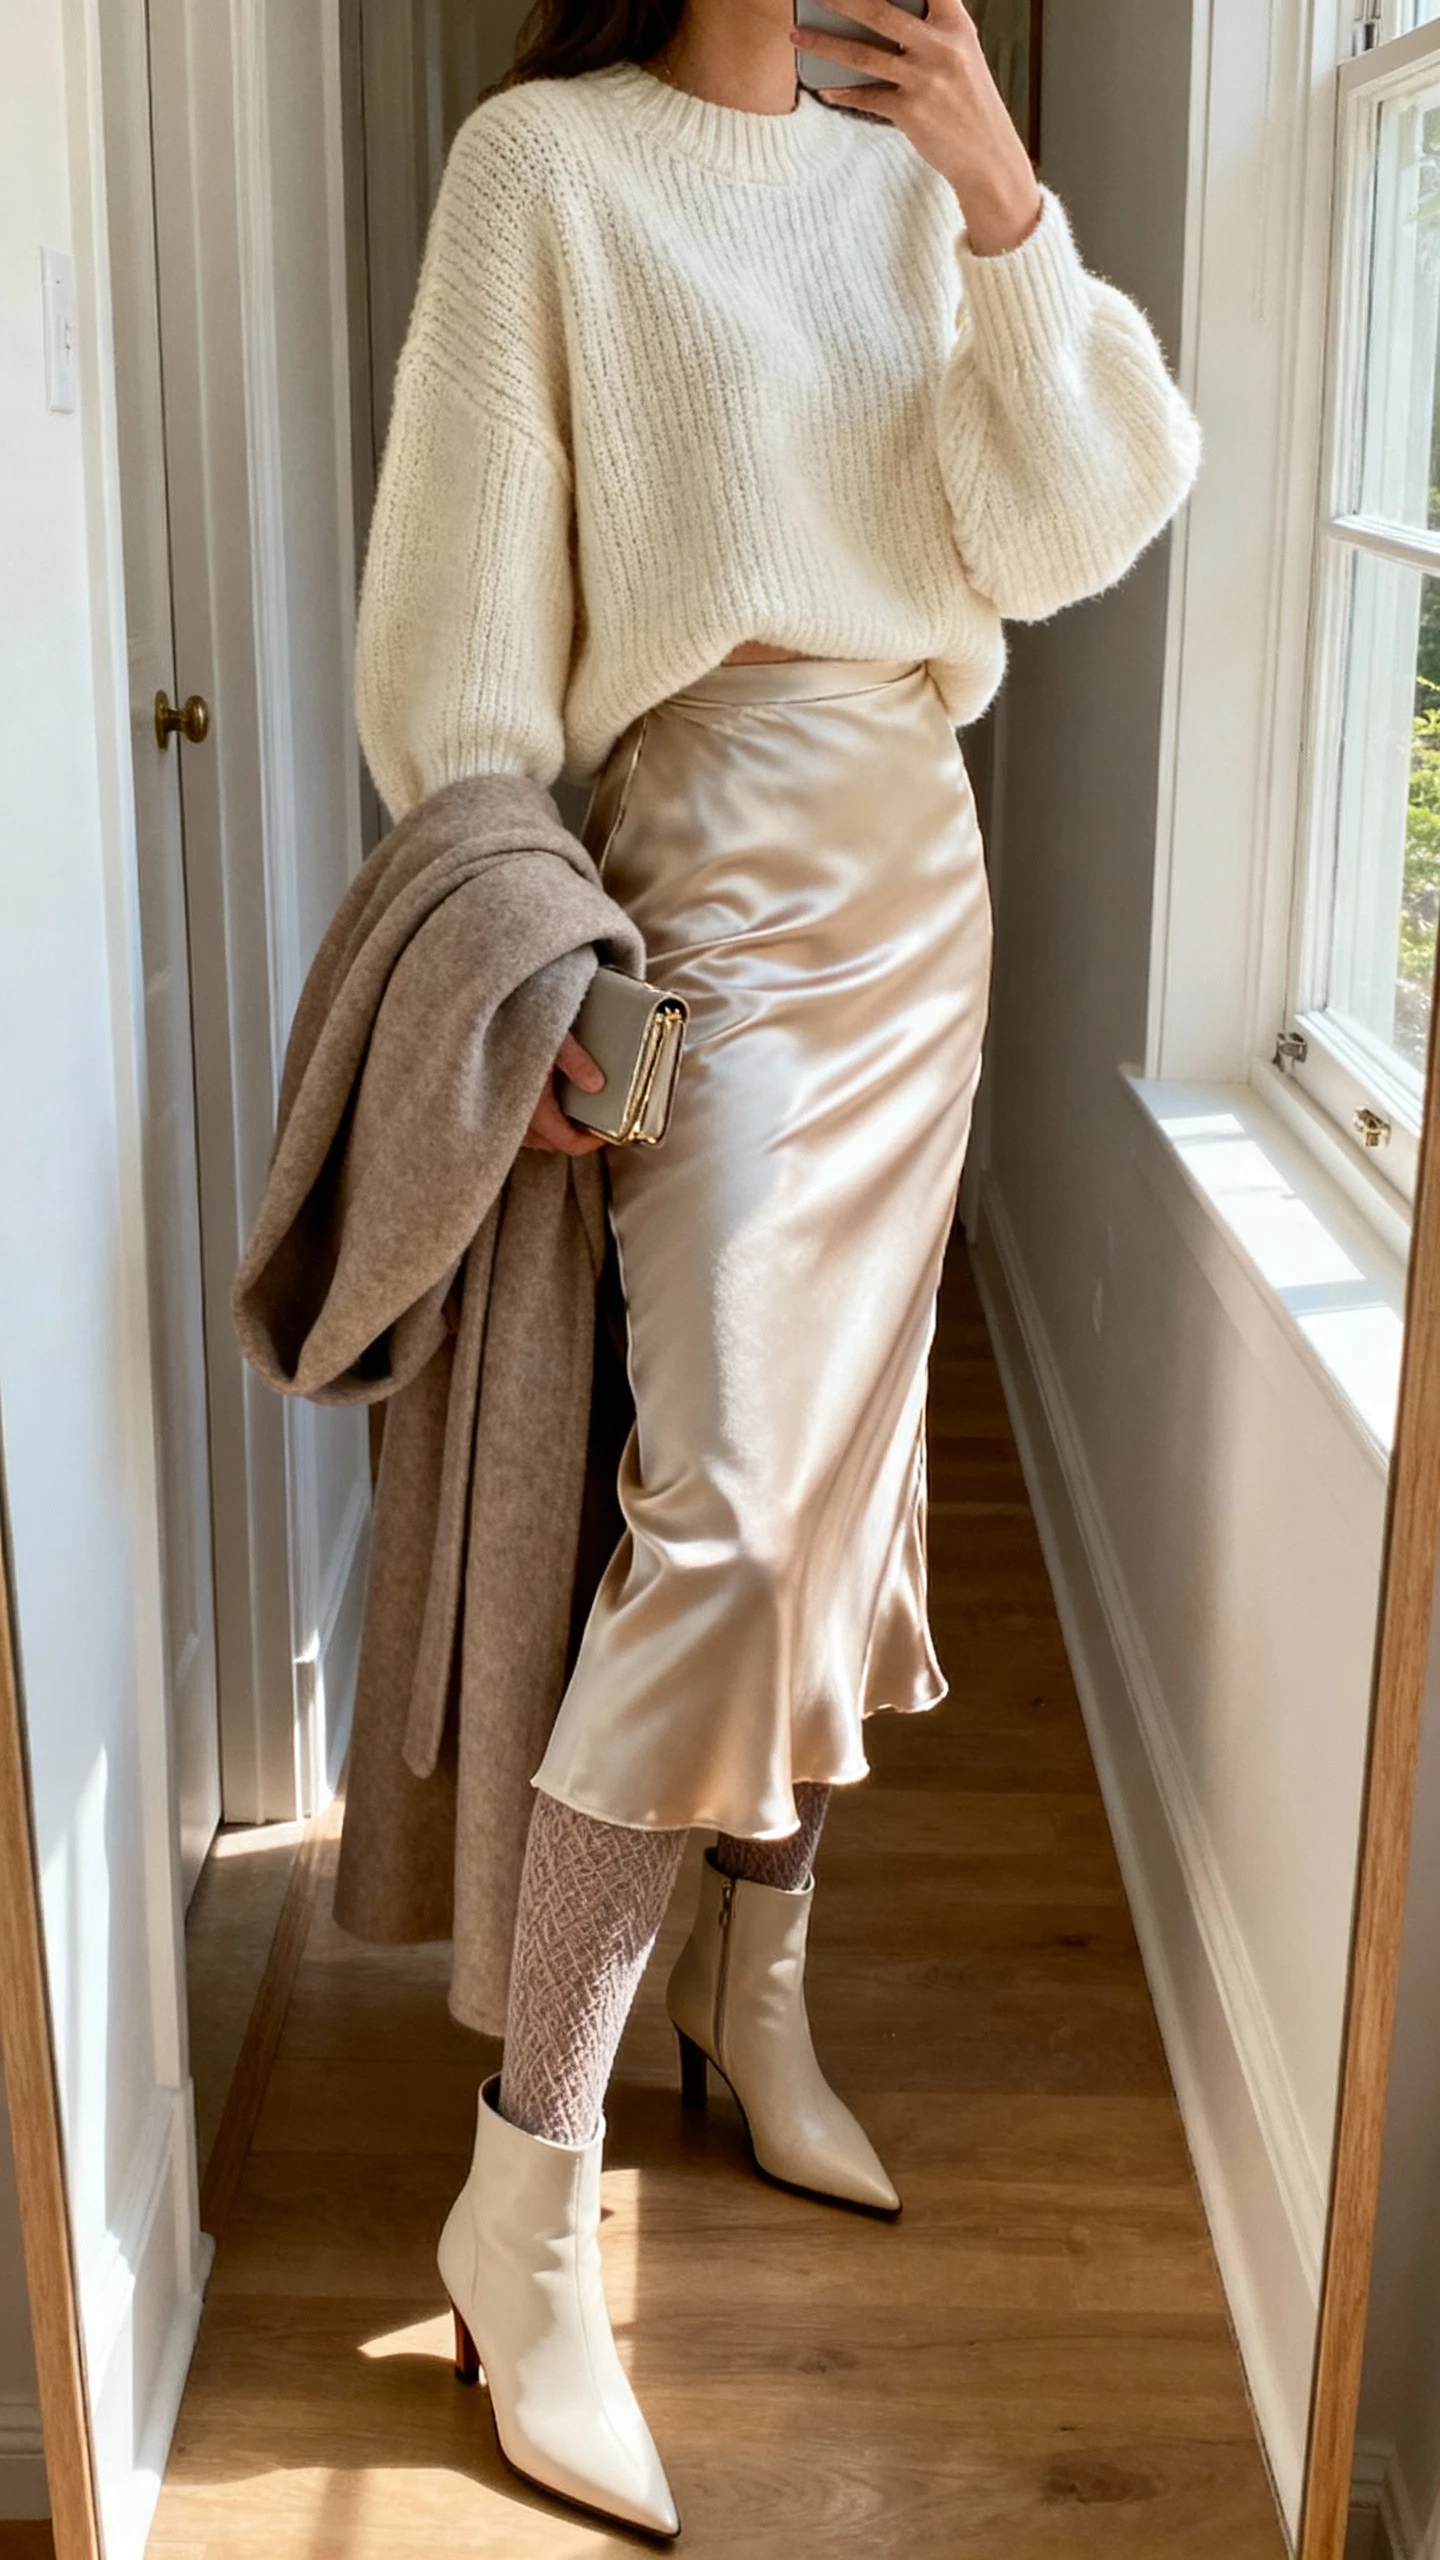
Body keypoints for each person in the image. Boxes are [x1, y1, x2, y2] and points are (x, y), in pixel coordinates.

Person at [353, 0, 1200, 2533]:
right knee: (721, 1507)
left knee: (840, 1491)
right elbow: (454, 630)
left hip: (918, 879)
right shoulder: (547, 172)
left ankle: (764, 1993)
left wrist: (1002, 201)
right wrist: (541, 938)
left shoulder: (919, 189)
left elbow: (1074, 524)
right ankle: (525, 2194)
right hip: (696, 880)